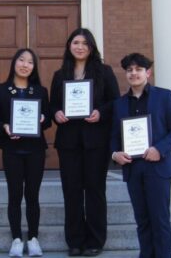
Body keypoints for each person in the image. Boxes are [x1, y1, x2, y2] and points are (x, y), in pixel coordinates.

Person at [49, 28, 120, 257]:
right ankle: (75, 241)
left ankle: (95, 240)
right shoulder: (60, 75)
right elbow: (52, 105)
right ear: (69, 46)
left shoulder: (104, 72)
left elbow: (115, 103)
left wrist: (100, 112)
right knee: (71, 191)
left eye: (84, 43)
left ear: (91, 48)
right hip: (68, 142)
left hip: (95, 142)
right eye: (75, 42)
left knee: (95, 190)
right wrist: (56, 114)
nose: (79, 47)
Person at [110, 53, 171, 258]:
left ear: (148, 73)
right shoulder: (120, 104)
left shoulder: (164, 96)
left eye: (138, 69)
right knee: (142, 221)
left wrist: (159, 149)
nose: (134, 73)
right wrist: (115, 153)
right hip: (133, 169)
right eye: (129, 70)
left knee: (159, 220)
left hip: (158, 168)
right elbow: (114, 137)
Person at [0, 49, 52, 257]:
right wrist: (5, 127)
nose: (25, 65)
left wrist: (42, 119)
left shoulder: (40, 91)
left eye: (30, 62)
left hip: (35, 150)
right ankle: (16, 238)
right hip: (12, 149)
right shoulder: (0, 90)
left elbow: (49, 119)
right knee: (14, 194)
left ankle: (33, 238)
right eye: (21, 60)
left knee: (32, 195)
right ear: (14, 63)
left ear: (34, 67)